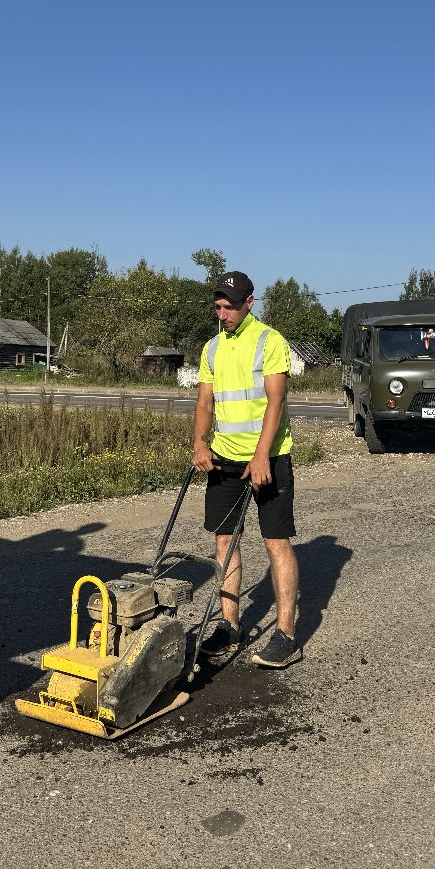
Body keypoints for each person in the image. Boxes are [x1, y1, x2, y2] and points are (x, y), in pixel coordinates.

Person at [191, 271, 301, 668]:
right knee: (225, 541)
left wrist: (261, 455)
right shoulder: (211, 349)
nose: (223, 314)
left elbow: (276, 401)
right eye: (218, 307)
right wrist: (200, 443)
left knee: (276, 542)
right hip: (224, 458)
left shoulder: (269, 341)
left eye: (230, 307)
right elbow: (205, 402)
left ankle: (286, 635)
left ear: (249, 303)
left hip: (268, 458)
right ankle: (229, 626)